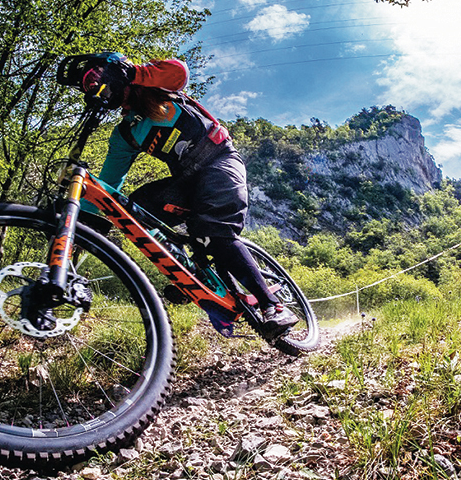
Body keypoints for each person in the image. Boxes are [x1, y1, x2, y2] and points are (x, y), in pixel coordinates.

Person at [56, 51, 298, 335]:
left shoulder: (157, 86)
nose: (96, 88)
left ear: (113, 71)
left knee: (216, 233)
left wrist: (133, 72)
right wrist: (81, 229)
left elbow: (179, 72)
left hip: (219, 161)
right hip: (185, 181)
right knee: (135, 210)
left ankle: (273, 306)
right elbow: (110, 181)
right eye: (88, 86)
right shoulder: (125, 133)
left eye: (96, 79)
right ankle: (191, 271)